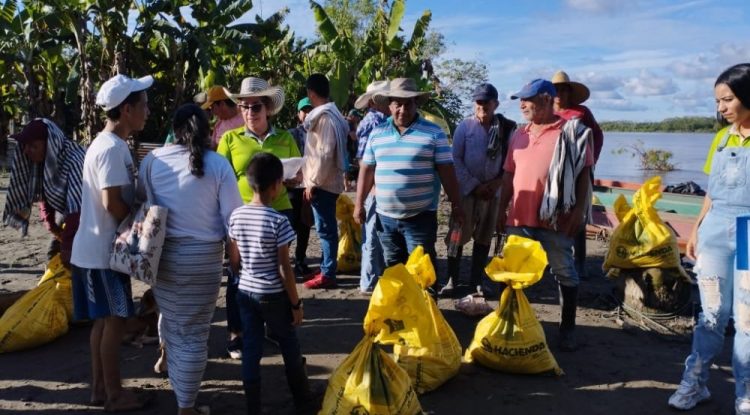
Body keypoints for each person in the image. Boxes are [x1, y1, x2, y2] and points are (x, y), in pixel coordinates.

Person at [142, 104, 242, 415]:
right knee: (195, 333)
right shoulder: (218, 165)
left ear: (173, 128)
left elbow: (142, 205)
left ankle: (170, 365)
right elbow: (233, 221)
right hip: (203, 260)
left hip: (162, 257)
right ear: (205, 127)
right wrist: (236, 261)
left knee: (173, 321)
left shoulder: (152, 161)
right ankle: (186, 406)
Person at [667, 63, 750, 414]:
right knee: (712, 313)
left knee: (747, 318)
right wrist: (697, 230)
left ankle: (745, 393)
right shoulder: (721, 138)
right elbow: (711, 194)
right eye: (718, 101)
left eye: (727, 100)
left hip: (748, 233)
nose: (721, 108)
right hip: (715, 231)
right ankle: (695, 382)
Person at [70, 73, 153, 411]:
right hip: (105, 253)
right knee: (115, 323)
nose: (147, 110)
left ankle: (100, 390)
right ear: (127, 109)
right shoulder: (112, 149)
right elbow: (112, 202)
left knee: (103, 322)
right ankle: (115, 395)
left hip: (91, 250)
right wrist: (136, 223)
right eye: (143, 105)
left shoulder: (103, 144)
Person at [496, 79, 593, 352]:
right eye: (520, 100)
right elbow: (508, 175)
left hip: (555, 218)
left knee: (564, 271)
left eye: (527, 99)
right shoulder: (519, 134)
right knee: (515, 273)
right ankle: (514, 324)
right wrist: (500, 209)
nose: (522, 105)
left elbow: (584, 175)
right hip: (519, 216)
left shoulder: (573, 133)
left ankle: (567, 328)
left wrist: (578, 212)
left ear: (547, 99)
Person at [217, 77, 301, 358]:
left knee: (278, 272)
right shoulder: (229, 139)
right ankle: (236, 333)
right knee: (237, 273)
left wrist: (291, 179)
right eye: (244, 107)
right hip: (242, 217)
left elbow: (297, 175)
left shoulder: (285, 138)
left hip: (279, 212)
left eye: (255, 107)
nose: (249, 113)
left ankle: (273, 327)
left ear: (267, 109)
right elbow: (219, 178)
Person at [354, 77, 464, 287]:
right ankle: (400, 315)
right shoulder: (377, 134)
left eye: (408, 104)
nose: (402, 110)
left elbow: (447, 171)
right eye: (397, 104)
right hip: (385, 218)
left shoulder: (434, 133)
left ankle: (425, 315)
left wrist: (457, 204)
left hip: (420, 217)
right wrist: (359, 204)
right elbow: (367, 169)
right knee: (394, 270)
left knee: (422, 273)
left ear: (416, 103)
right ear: (389, 105)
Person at [228, 152, 313, 414]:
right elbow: (283, 268)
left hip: (245, 291)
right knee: (288, 343)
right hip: (273, 295)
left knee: (251, 347)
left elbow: (233, 259)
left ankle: (252, 406)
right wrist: (295, 303)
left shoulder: (236, 216)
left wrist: (244, 277)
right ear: (277, 185)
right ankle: (303, 403)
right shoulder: (279, 221)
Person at [444, 83, 516, 297]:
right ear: (474, 103)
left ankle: (476, 282)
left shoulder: (507, 129)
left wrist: (496, 184)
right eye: (479, 101)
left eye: (487, 101)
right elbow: (455, 159)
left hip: (493, 193)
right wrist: (474, 185)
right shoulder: (464, 127)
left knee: (484, 238)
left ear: (496, 104)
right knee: (457, 236)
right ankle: (452, 280)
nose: (482, 105)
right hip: (467, 192)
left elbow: (511, 161)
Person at [2, 118, 84, 268]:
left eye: (33, 146)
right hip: (67, 211)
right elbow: (45, 192)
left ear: (50, 146)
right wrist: (51, 224)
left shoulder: (74, 161)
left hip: (89, 214)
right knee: (54, 255)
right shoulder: (43, 160)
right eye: (26, 146)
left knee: (69, 256)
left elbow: (78, 208)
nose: (26, 151)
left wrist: (67, 246)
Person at [551, 70, 604, 280]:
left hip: (580, 170)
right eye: (556, 90)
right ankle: (554, 258)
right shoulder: (548, 113)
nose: (559, 94)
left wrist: (591, 162)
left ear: (569, 92)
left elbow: (597, 136)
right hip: (555, 172)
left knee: (578, 214)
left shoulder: (581, 112)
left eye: (563, 90)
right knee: (554, 211)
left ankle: (579, 262)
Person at [301, 73, 350, 289]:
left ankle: (328, 273)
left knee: (325, 229)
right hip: (327, 181)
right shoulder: (333, 115)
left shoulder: (325, 118)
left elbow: (324, 153)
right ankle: (325, 266)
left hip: (324, 182)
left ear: (311, 93)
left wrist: (313, 181)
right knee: (326, 227)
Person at [352, 80, 390, 293]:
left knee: (376, 234)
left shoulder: (383, 120)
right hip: (376, 188)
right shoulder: (374, 122)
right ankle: (369, 281)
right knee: (373, 235)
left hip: (378, 187)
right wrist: (372, 185)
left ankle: (374, 278)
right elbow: (365, 161)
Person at [288, 97, 314, 278]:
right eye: (304, 110)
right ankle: (281, 259)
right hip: (293, 187)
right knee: (289, 225)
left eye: (310, 110)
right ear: (298, 115)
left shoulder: (320, 134)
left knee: (305, 225)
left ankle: (300, 260)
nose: (307, 114)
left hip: (310, 186)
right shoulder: (291, 135)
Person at [202, 85, 244, 150]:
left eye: (212, 107)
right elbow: (213, 145)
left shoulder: (246, 115)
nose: (212, 112)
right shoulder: (219, 123)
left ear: (222, 104)